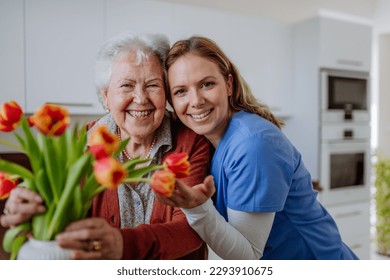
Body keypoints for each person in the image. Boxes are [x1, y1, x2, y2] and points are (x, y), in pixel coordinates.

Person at [0, 33, 211, 260]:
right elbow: (58, 212)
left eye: (152, 85)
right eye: (127, 85)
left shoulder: (191, 142)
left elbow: (193, 228)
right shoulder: (81, 144)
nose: (140, 98)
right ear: (106, 96)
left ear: (166, 94)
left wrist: (122, 243)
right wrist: (29, 210)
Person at [156, 35, 359, 260]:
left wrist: (197, 208)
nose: (196, 101)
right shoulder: (213, 140)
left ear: (229, 85)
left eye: (207, 84)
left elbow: (248, 257)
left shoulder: (252, 145)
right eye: (181, 91)